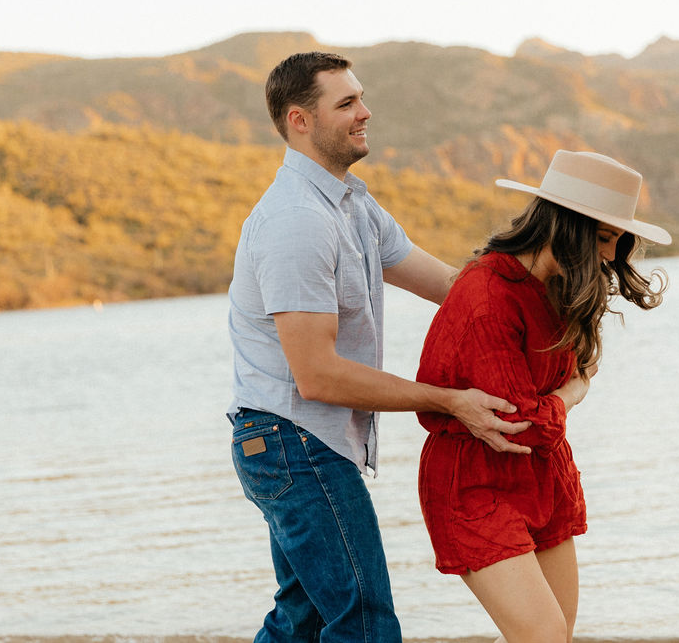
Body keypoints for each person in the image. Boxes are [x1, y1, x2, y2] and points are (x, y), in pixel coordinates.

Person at [226, 51, 531, 643]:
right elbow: (317, 376)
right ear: (300, 121)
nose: (366, 112)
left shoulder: (354, 206)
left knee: (303, 619)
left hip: (301, 443)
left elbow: (452, 287)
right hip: (293, 442)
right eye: (346, 104)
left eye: (361, 97)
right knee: (363, 622)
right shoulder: (296, 220)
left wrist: (544, 290)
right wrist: (450, 400)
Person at [415, 150, 672, 643]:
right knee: (543, 637)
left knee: (554, 636)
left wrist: (566, 386)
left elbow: (549, 396)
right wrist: (574, 392)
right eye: (601, 238)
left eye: (616, 242)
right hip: (477, 483)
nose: (607, 256)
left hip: (543, 476)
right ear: (563, 224)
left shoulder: (558, 287)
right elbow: (519, 424)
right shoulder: (487, 295)